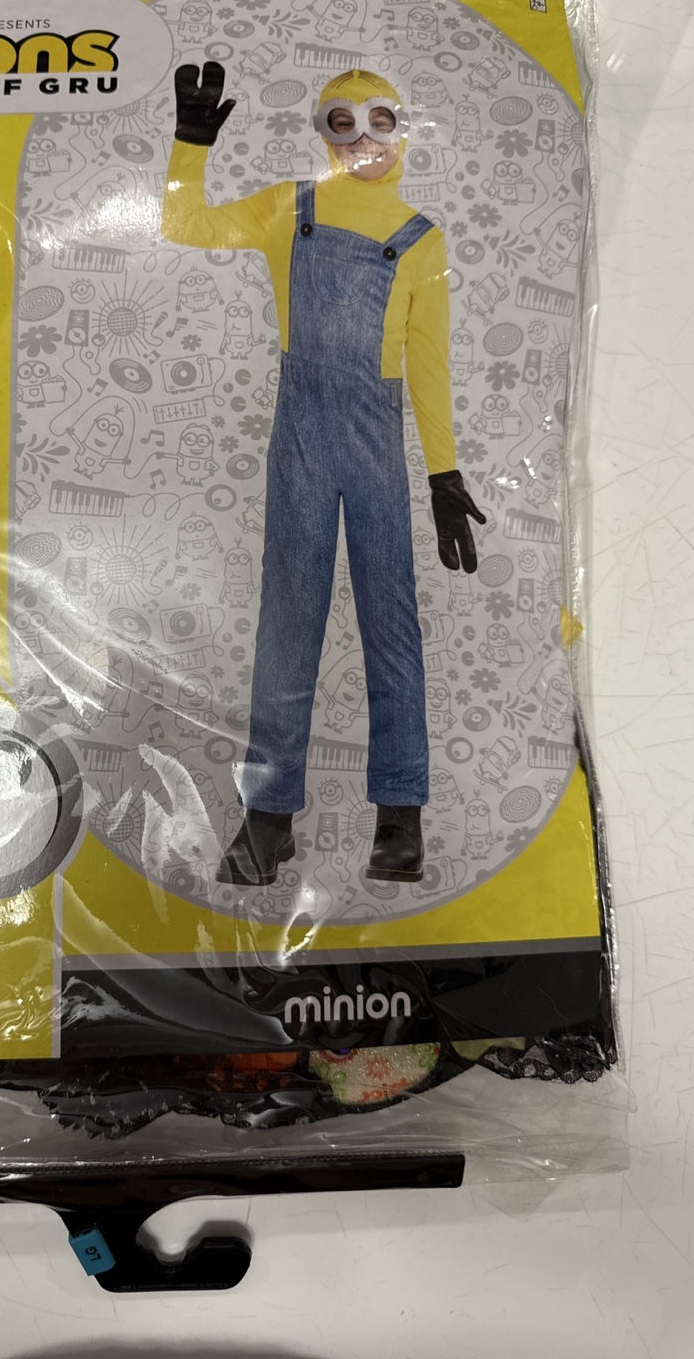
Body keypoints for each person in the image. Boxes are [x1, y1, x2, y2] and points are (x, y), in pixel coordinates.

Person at [162, 63, 485, 886]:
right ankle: (268, 818)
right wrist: (191, 144)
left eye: (381, 121)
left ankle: (400, 817)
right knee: (288, 624)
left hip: (376, 438)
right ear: (323, 132)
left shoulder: (422, 237)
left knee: (391, 622)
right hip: (301, 432)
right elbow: (184, 224)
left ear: (402, 130)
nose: (364, 138)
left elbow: (430, 364)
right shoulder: (289, 208)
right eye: (344, 122)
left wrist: (444, 476)